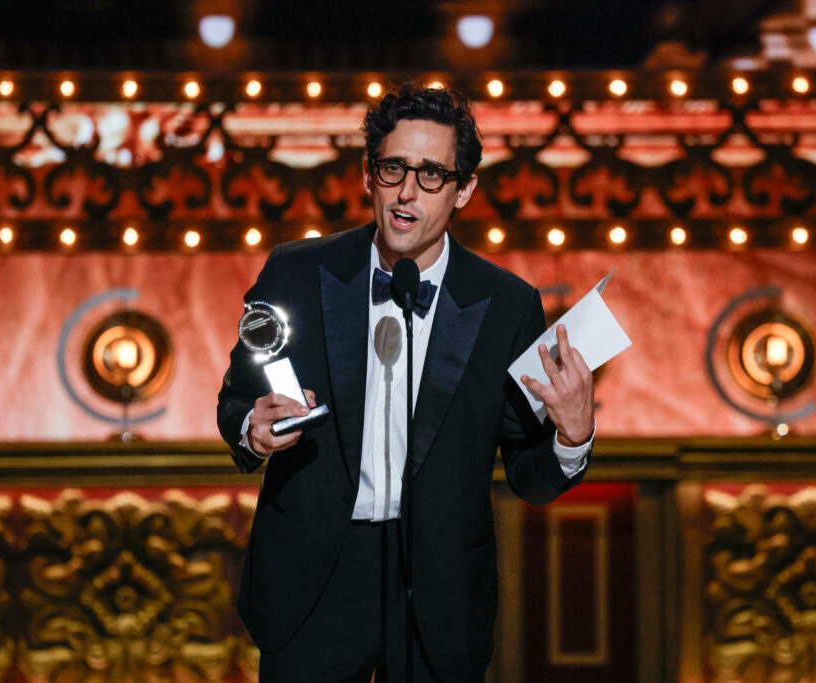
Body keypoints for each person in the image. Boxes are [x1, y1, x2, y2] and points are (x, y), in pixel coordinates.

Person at [217, 84, 595, 682]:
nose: (408, 192)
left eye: (432, 174)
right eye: (393, 168)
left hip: (439, 591)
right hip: (314, 582)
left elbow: (528, 476)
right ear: (369, 176)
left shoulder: (506, 304)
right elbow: (236, 398)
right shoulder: (296, 270)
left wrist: (572, 436)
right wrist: (252, 428)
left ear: (463, 189)